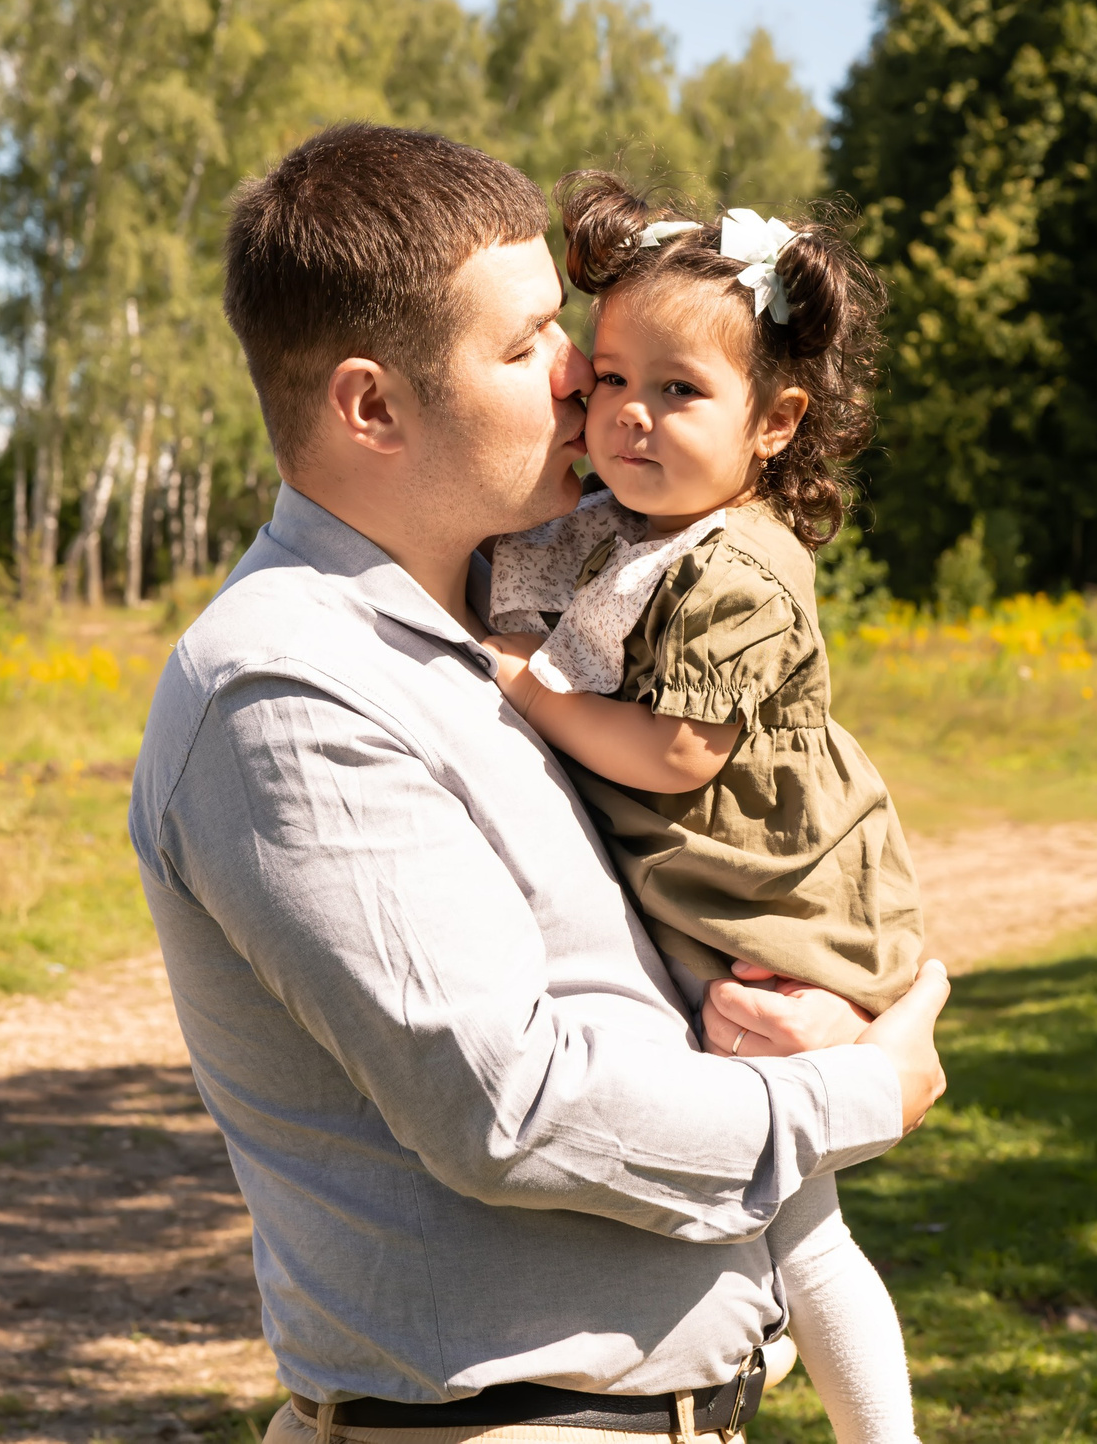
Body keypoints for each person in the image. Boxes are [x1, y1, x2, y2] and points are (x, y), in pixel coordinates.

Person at [125, 122, 951, 1444]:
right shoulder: (290, 692)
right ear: (373, 407)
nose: (582, 379)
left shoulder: (495, 631)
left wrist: (846, 1006)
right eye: (528, 345)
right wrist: (866, 1093)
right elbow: (513, 1110)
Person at [481, 172, 923, 1444]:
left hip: (774, 899)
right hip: (715, 889)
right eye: (610, 380)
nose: (628, 417)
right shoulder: (624, 528)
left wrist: (530, 690)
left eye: (680, 392)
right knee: (782, 1208)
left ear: (774, 424)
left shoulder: (738, 564)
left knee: (803, 1218)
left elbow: (678, 750)